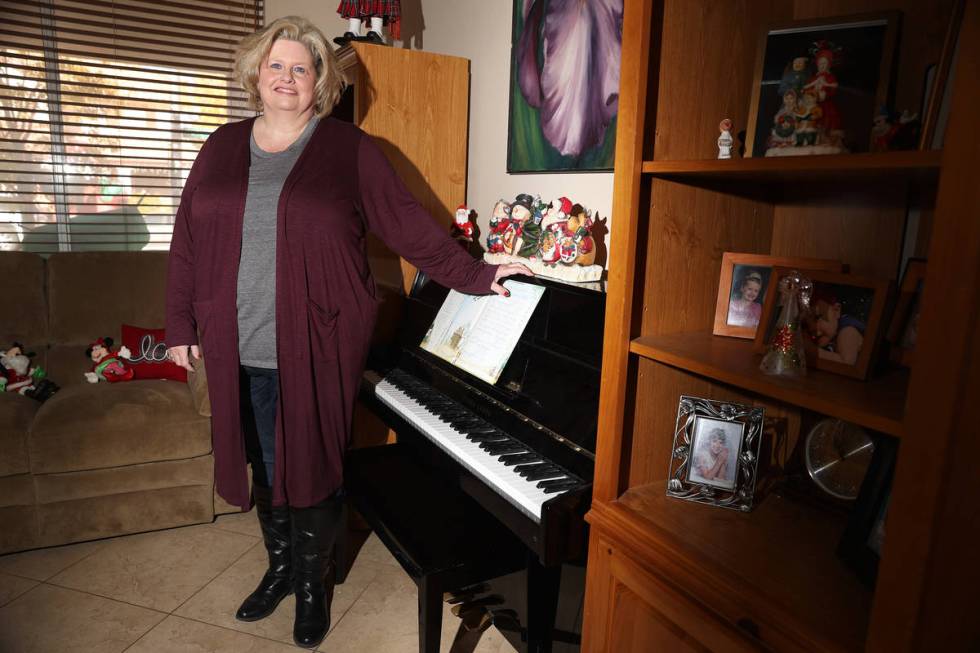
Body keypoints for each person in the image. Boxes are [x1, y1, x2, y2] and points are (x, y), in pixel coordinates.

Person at [164, 16, 530, 649]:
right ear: (256, 73)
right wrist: (179, 324)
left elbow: (411, 228)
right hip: (234, 342)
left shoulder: (350, 151)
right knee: (261, 462)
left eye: (300, 68)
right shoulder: (219, 147)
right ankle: (280, 568)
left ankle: (314, 582)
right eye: (275, 65)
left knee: (313, 464)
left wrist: (478, 273)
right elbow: (186, 243)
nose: (286, 77)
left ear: (319, 83)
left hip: (317, 341)